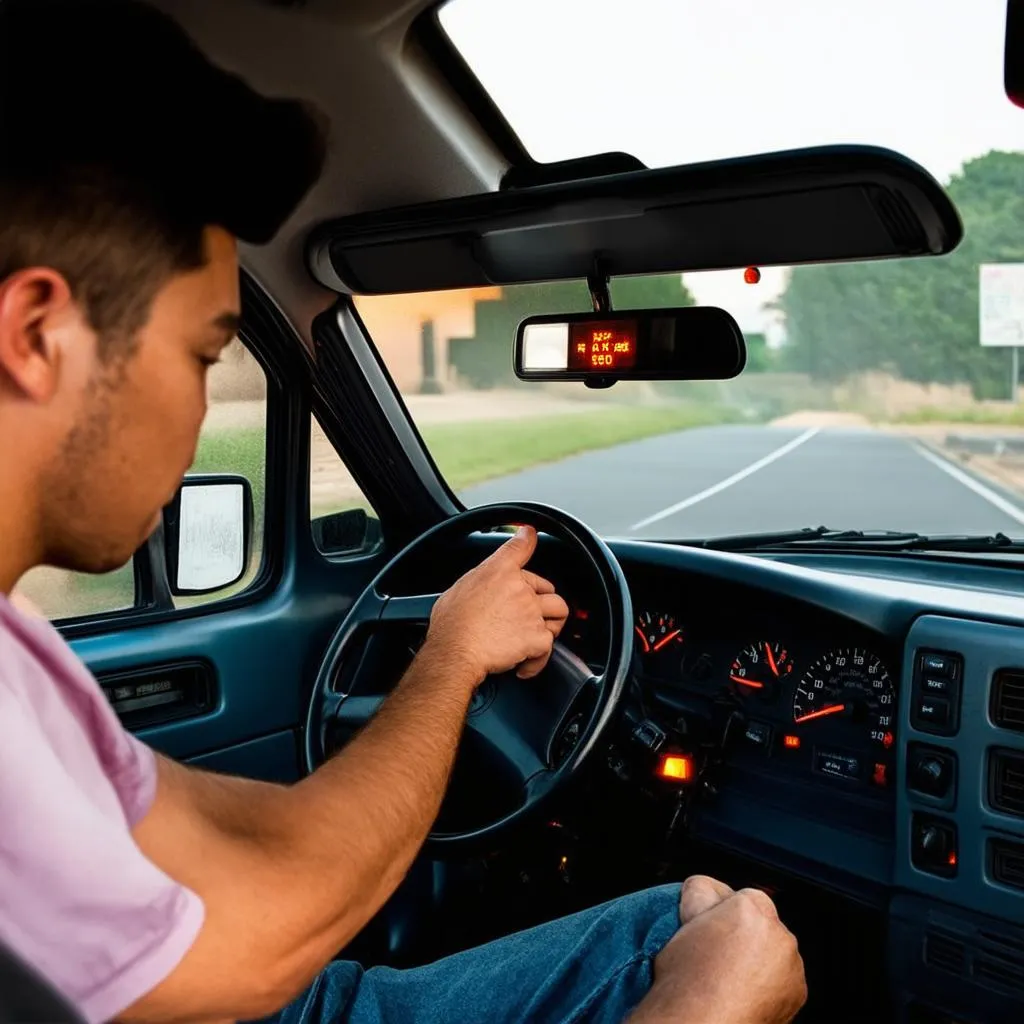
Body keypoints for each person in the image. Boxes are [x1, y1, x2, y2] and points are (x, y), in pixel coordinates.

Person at [0, 1, 808, 1022]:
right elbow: (252, 949)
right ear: (37, 333)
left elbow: (249, 842)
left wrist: (451, 652)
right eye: (206, 354)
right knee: (728, 966)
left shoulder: (17, 652)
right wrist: (710, 1013)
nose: (204, 410)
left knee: (664, 931)